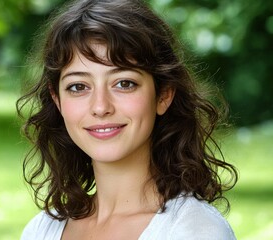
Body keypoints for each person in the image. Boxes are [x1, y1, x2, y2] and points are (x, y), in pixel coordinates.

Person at [17, 0, 238, 239]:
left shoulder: (194, 230)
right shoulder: (40, 231)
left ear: (163, 95)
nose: (101, 107)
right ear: (57, 100)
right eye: (78, 86)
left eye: (124, 83)